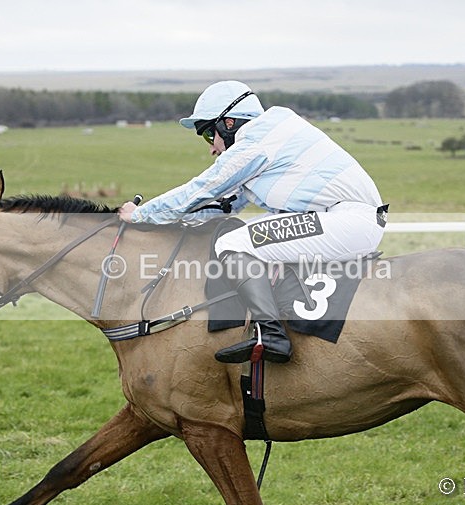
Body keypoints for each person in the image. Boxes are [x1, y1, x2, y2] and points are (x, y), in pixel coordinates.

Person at [119, 80, 386, 364]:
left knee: (231, 242)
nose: (212, 148)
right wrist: (173, 223)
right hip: (347, 219)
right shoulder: (268, 134)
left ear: (229, 123)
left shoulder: (255, 143)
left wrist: (141, 215)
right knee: (245, 232)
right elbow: (223, 205)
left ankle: (271, 335)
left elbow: (201, 189)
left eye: (210, 135)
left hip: (348, 221)